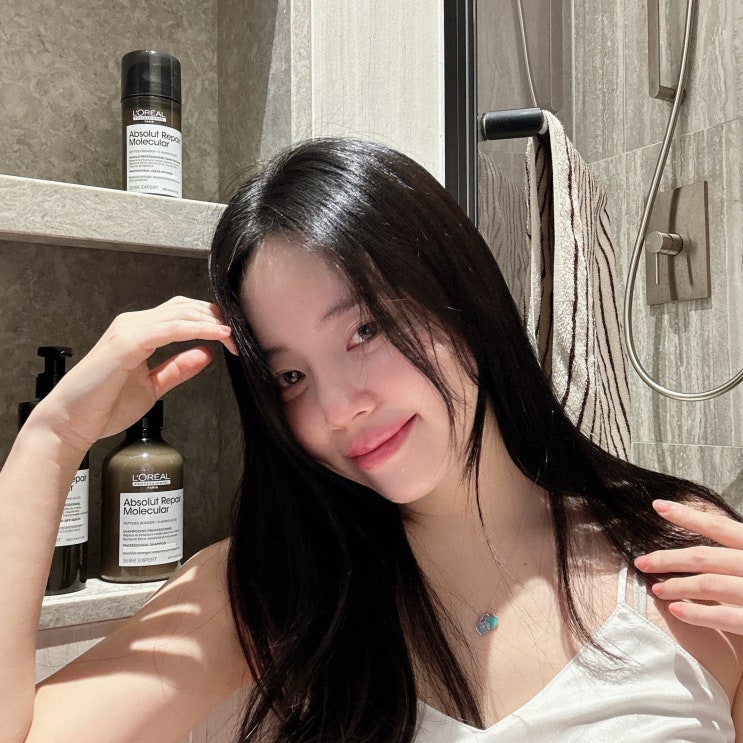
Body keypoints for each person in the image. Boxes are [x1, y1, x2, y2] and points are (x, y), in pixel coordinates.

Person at [2, 138, 743, 743]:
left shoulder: (682, 561)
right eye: (290, 376)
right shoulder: (269, 593)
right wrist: (52, 437)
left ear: (459, 294)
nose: (337, 409)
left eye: (365, 330)